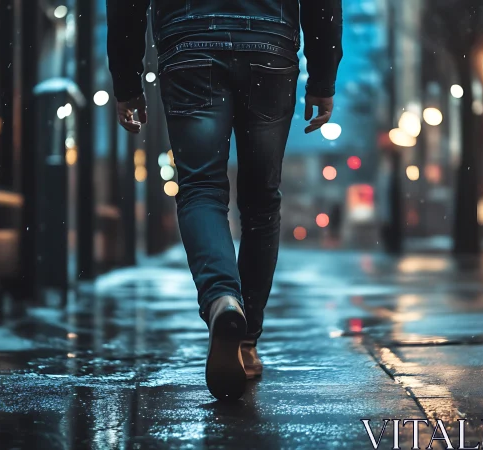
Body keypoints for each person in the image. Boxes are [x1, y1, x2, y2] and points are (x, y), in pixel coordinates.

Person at [107, 0, 343, 401]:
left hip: (189, 44)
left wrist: (127, 81)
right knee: (261, 200)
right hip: (269, 45)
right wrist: (322, 76)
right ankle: (246, 342)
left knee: (200, 188)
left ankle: (222, 299)